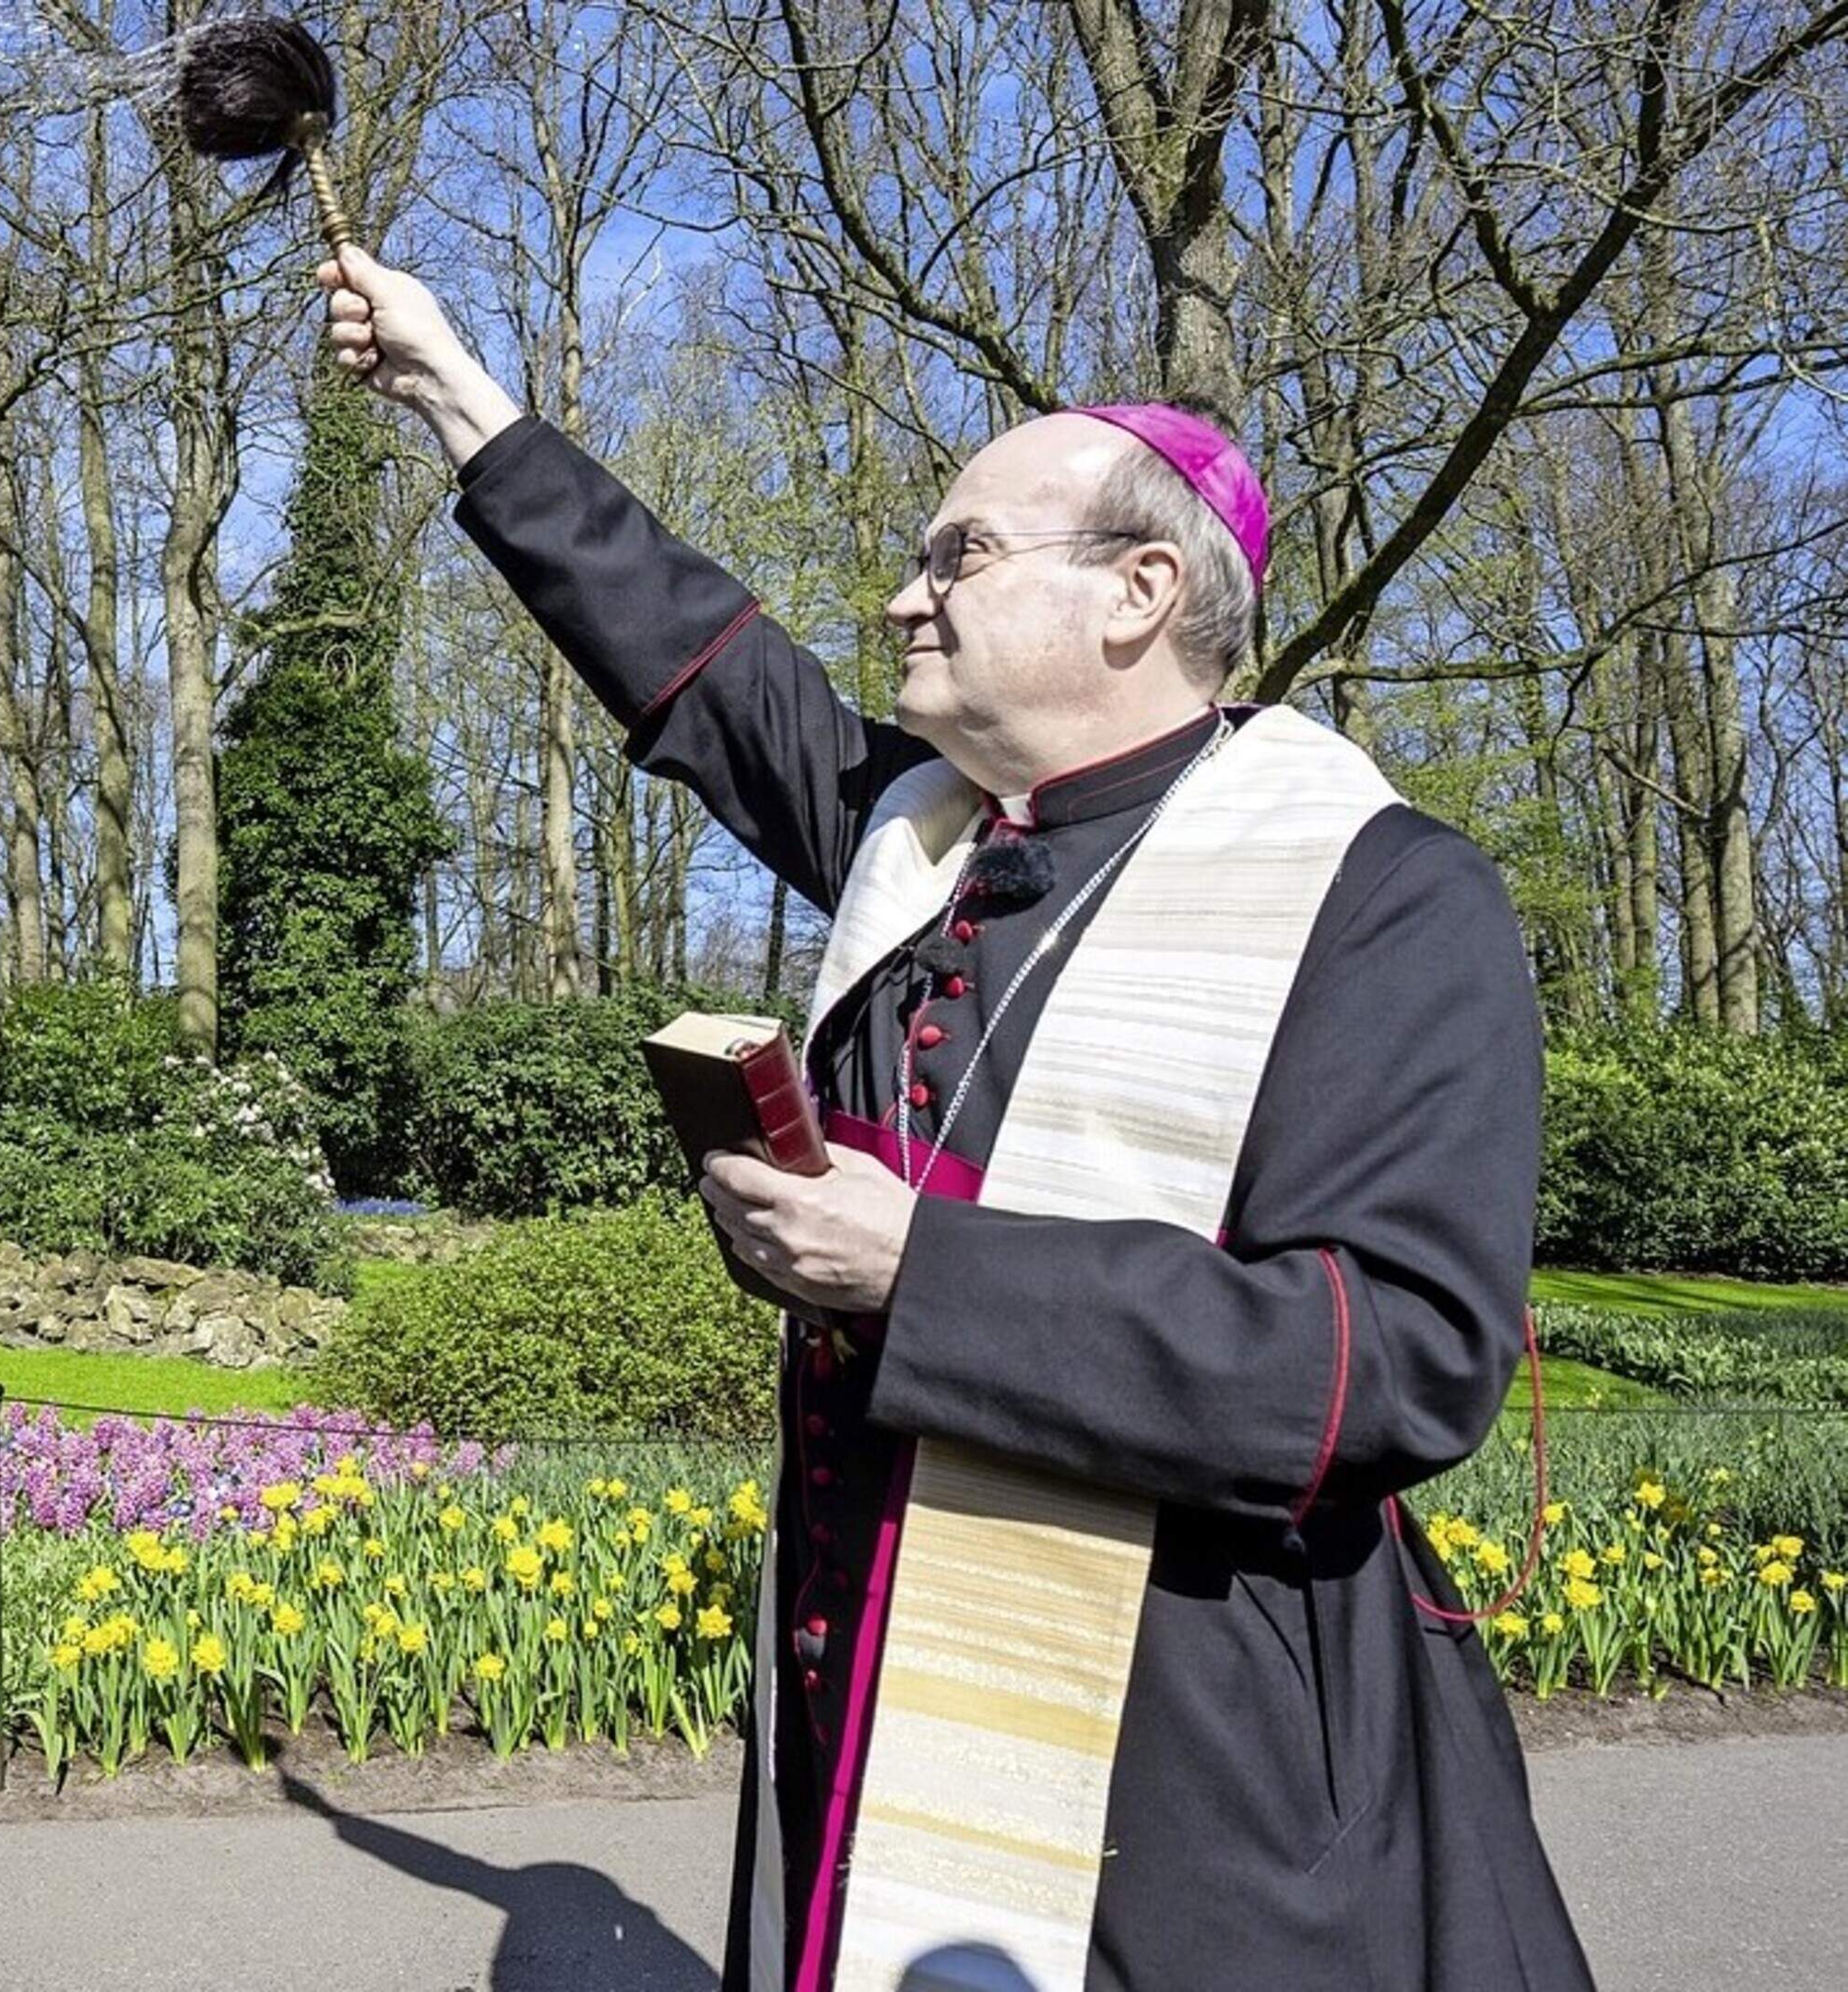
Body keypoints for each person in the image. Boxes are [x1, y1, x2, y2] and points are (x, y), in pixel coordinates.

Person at [317, 247, 1593, 1992]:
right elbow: (699, 664)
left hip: (1202, 1757)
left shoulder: (1377, 893)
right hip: (870, 1667)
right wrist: (454, 394)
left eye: (961, 556)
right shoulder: (926, 842)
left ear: (1142, 589)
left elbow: (1403, 1358)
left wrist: (921, 1272)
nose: (906, 597)